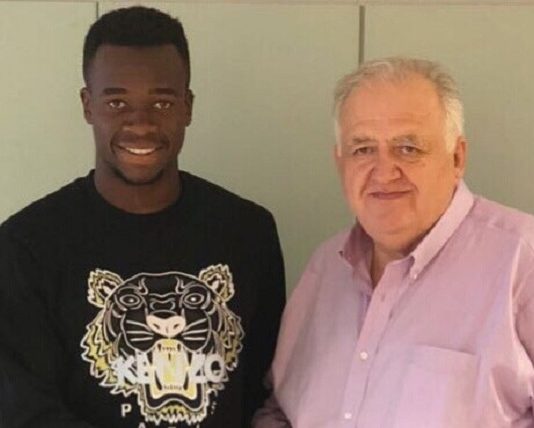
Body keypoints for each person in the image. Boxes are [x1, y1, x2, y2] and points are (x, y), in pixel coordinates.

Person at [0, 6, 285, 428]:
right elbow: (25, 412)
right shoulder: (27, 245)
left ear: (187, 107)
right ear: (88, 105)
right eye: (117, 101)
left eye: (162, 101)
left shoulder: (248, 233)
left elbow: (266, 393)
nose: (141, 123)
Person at [253, 57, 534, 428]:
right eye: (363, 149)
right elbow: (280, 408)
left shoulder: (521, 261)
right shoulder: (325, 268)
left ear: (457, 158)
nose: (384, 172)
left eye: (408, 148)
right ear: (340, 162)